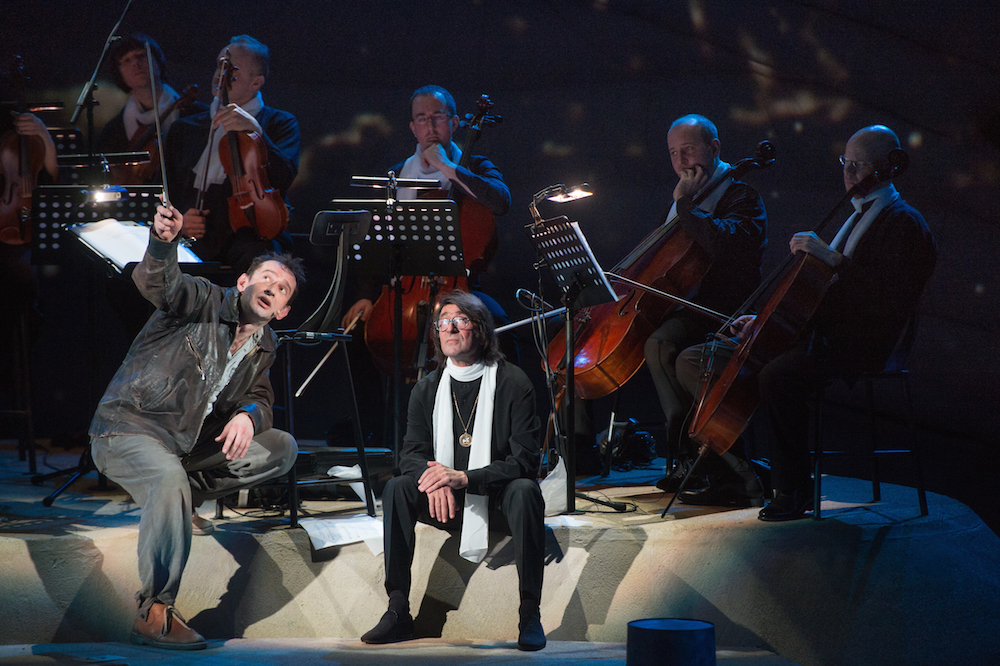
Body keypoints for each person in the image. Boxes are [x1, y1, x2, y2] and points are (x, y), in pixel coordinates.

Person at [677, 124, 936, 521]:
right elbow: (818, 295)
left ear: (888, 167)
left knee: (777, 376)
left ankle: (793, 488)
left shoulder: (904, 223)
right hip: (823, 333)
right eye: (846, 163)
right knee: (700, 358)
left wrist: (832, 258)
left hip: (862, 342)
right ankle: (735, 472)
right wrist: (763, 320)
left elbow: (885, 297)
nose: (849, 173)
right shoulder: (859, 215)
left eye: (860, 165)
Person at [88, 201, 305, 649]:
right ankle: (153, 611)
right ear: (243, 282)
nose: (271, 287)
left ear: (283, 310)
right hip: (129, 427)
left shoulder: (265, 343)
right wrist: (163, 243)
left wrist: (248, 416)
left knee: (280, 447)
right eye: (265, 278)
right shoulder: (203, 298)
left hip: (183, 446)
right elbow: (160, 283)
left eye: (282, 288)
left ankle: (183, 497)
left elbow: (262, 399)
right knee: (167, 477)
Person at [361, 290, 546, 651]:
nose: (450, 328)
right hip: (443, 504)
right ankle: (398, 611)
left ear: (481, 330)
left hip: (496, 501)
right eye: (443, 322)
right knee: (398, 487)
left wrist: (464, 478)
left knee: (525, 490)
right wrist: (436, 482)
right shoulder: (426, 389)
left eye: (460, 320)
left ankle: (529, 613)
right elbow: (411, 454)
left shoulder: (514, 383)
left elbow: (525, 461)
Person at [642, 114, 767, 502]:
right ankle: (690, 457)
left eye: (689, 150)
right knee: (657, 344)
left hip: (730, 310)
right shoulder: (686, 197)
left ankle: (710, 460)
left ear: (714, 149)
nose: (681, 161)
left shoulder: (742, 197)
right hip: (692, 306)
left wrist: (685, 205)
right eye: (673, 153)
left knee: (670, 350)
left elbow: (723, 244)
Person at [340, 84, 513, 348]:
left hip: (461, 288)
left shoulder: (476, 166)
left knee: (500, 328)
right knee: (359, 333)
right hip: (403, 290)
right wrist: (365, 295)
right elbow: (374, 239)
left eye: (438, 116)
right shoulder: (395, 175)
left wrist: (446, 166)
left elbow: (501, 202)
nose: (430, 126)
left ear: (454, 122)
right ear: (413, 128)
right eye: (422, 118)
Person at [164, 34, 299, 274]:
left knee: (260, 260)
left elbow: (284, 177)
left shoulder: (280, 123)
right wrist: (180, 219)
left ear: (256, 83)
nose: (221, 74)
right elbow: (166, 187)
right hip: (194, 234)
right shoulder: (184, 128)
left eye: (232, 69)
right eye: (220, 66)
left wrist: (256, 133)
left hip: (250, 233)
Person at [96, 33, 206, 182]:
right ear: (119, 73)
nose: (135, 64)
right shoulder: (113, 132)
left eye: (141, 56)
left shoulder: (197, 117)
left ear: (158, 61)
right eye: (126, 60)